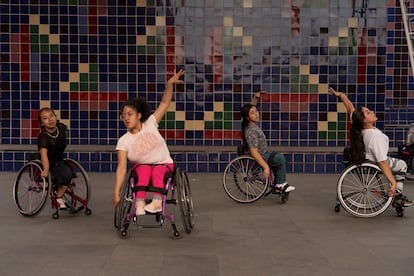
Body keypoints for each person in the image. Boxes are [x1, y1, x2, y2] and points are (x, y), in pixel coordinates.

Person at [113, 69, 185, 215]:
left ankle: (157, 202)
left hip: (163, 163)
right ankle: (139, 204)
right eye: (123, 116)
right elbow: (121, 168)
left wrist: (169, 84)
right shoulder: (123, 141)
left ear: (139, 115)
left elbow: (164, 103)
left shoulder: (150, 123)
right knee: (143, 170)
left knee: (157, 170)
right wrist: (116, 192)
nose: (126, 118)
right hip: (142, 166)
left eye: (130, 114)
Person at [328, 87, 413, 207]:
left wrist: (341, 95)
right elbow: (382, 162)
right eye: (368, 112)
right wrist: (393, 183)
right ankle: (397, 195)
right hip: (375, 161)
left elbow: (350, 108)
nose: (372, 111)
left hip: (366, 157)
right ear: (364, 120)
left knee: (396, 164)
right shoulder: (375, 137)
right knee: (402, 165)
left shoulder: (358, 125)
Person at [240, 91, 295, 193]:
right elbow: (254, 152)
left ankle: (279, 182)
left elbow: (251, 108)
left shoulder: (249, 125)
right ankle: (280, 184)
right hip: (258, 156)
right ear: (248, 117)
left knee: (277, 158)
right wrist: (266, 168)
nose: (256, 114)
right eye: (253, 113)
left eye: (256, 111)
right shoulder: (251, 131)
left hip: (262, 153)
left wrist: (256, 98)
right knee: (280, 158)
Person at [38, 107, 72, 209]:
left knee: (67, 173)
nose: (50, 119)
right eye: (45, 118)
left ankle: (59, 191)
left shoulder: (61, 128)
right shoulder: (43, 137)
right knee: (67, 175)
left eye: (51, 116)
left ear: (55, 117)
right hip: (49, 162)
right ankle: (59, 197)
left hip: (60, 160)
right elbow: (44, 154)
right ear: (42, 123)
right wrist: (46, 169)